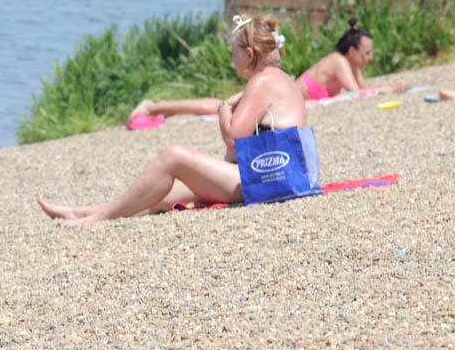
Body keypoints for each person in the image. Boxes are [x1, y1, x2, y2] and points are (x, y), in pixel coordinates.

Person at [39, 14, 307, 226]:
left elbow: (234, 139)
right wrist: (162, 109)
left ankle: (98, 219)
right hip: (275, 176)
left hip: (269, 180)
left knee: (173, 156)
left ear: (248, 55)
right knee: (164, 195)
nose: (230, 58)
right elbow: (222, 118)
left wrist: (225, 107)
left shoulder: (261, 82)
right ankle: (83, 211)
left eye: (233, 52)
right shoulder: (276, 80)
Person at [296, 18, 410, 101]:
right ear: (352, 51)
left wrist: (390, 89)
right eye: (367, 53)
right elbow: (356, 93)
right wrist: (391, 89)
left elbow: (366, 90)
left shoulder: (351, 65)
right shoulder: (339, 61)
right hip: (292, 97)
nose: (371, 57)